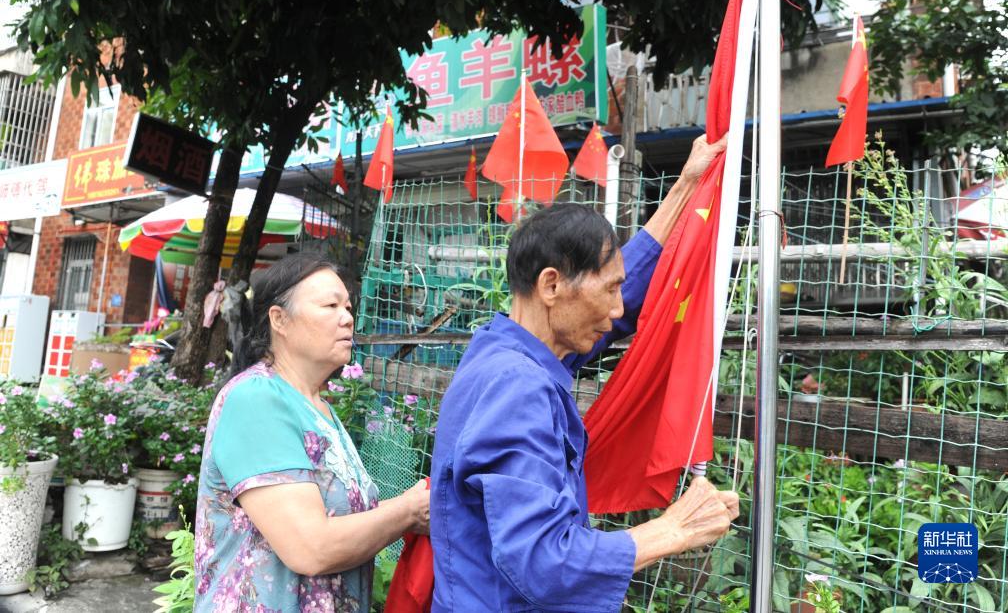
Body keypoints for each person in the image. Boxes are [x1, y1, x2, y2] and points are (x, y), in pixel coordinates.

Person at [430, 134, 740, 611]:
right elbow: (544, 562)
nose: (618, 310)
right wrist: (674, 529)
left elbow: (627, 293)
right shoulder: (518, 388)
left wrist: (684, 186)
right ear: (551, 285)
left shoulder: (506, 348)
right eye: (609, 290)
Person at [193, 252, 429, 612]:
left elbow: (337, 522)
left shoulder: (320, 410)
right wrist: (408, 511)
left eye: (348, 307)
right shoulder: (256, 398)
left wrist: (408, 508)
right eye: (330, 306)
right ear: (279, 320)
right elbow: (310, 547)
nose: (347, 318)